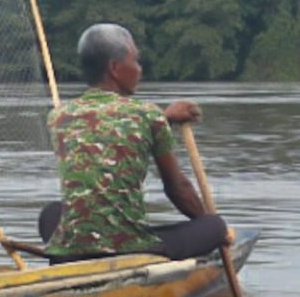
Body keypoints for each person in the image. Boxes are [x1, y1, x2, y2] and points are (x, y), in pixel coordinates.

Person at [38, 23, 230, 262]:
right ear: (115, 68)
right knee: (215, 225)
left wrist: (165, 118)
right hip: (128, 249)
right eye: (135, 61)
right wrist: (209, 226)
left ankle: (79, 252)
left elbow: (110, 128)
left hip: (69, 251)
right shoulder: (147, 114)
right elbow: (177, 190)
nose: (139, 69)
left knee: (51, 213)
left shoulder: (58, 117)